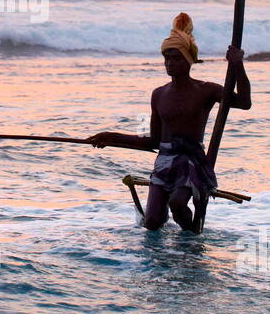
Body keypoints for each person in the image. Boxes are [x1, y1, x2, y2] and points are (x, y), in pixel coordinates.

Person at [87, 13, 251, 232]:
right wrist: (110, 137)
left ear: (189, 60)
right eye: (167, 58)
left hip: (191, 162)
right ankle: (170, 247)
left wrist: (237, 64)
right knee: (152, 222)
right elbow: (153, 141)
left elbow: (244, 102)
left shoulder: (206, 90)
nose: (170, 63)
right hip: (164, 162)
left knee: (177, 203)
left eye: (176, 58)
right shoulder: (159, 94)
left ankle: (191, 240)